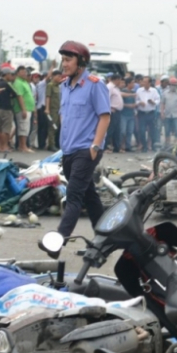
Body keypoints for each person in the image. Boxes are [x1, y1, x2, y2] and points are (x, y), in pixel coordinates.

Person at [55, 41, 110, 238]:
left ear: (81, 62)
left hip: (86, 150)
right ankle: (104, 235)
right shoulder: (64, 86)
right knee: (89, 195)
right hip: (68, 150)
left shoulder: (95, 85)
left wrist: (95, 146)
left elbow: (105, 116)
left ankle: (58, 241)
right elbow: (64, 116)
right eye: (63, 60)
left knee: (74, 195)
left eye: (68, 60)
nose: (64, 64)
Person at [0, 66, 20, 152]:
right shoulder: (6, 84)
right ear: (7, 74)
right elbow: (15, 93)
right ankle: (4, 146)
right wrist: (10, 95)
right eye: (10, 74)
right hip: (6, 108)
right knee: (6, 128)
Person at [11, 65, 34, 152]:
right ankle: (22, 146)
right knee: (23, 127)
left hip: (28, 108)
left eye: (25, 72)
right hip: (22, 109)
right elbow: (19, 96)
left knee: (26, 127)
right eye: (23, 72)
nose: (25, 73)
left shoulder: (24, 82)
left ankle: (23, 146)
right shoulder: (18, 82)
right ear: (18, 73)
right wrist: (23, 109)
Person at [135, 75, 160, 152]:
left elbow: (158, 100)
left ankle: (153, 146)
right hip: (141, 113)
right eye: (143, 81)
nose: (143, 83)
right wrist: (139, 102)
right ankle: (144, 146)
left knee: (152, 130)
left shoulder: (154, 91)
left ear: (149, 83)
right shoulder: (139, 90)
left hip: (151, 113)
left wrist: (153, 102)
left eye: (145, 82)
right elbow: (136, 100)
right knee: (141, 130)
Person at [161, 76, 177, 145]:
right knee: (167, 131)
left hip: (176, 115)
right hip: (167, 115)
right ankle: (167, 145)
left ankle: (176, 145)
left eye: (175, 85)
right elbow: (162, 104)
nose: (173, 86)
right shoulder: (165, 93)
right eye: (172, 85)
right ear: (169, 85)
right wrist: (162, 112)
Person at [45, 68, 63, 151]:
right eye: (58, 76)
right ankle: (51, 145)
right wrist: (47, 108)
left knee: (57, 126)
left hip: (58, 109)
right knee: (53, 126)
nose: (60, 78)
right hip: (52, 109)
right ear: (53, 76)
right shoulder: (50, 85)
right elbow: (48, 97)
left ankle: (55, 143)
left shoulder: (59, 86)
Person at [105, 73, 122, 152]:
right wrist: (110, 108)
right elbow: (106, 99)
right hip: (112, 111)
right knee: (110, 130)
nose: (120, 82)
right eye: (119, 80)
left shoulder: (116, 88)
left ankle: (117, 148)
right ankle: (104, 147)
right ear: (116, 79)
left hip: (117, 112)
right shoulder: (109, 87)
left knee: (117, 130)